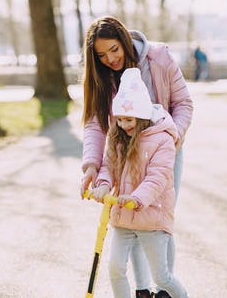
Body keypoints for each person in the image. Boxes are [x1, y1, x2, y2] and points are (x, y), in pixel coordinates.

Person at [80, 16, 193, 298]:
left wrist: (171, 137)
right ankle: (142, 289)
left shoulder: (159, 57)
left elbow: (183, 103)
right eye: (102, 55)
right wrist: (92, 166)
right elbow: (96, 123)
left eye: (114, 50)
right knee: (132, 216)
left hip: (163, 148)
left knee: (155, 218)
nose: (110, 59)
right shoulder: (102, 75)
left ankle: (163, 287)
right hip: (124, 150)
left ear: (124, 40)